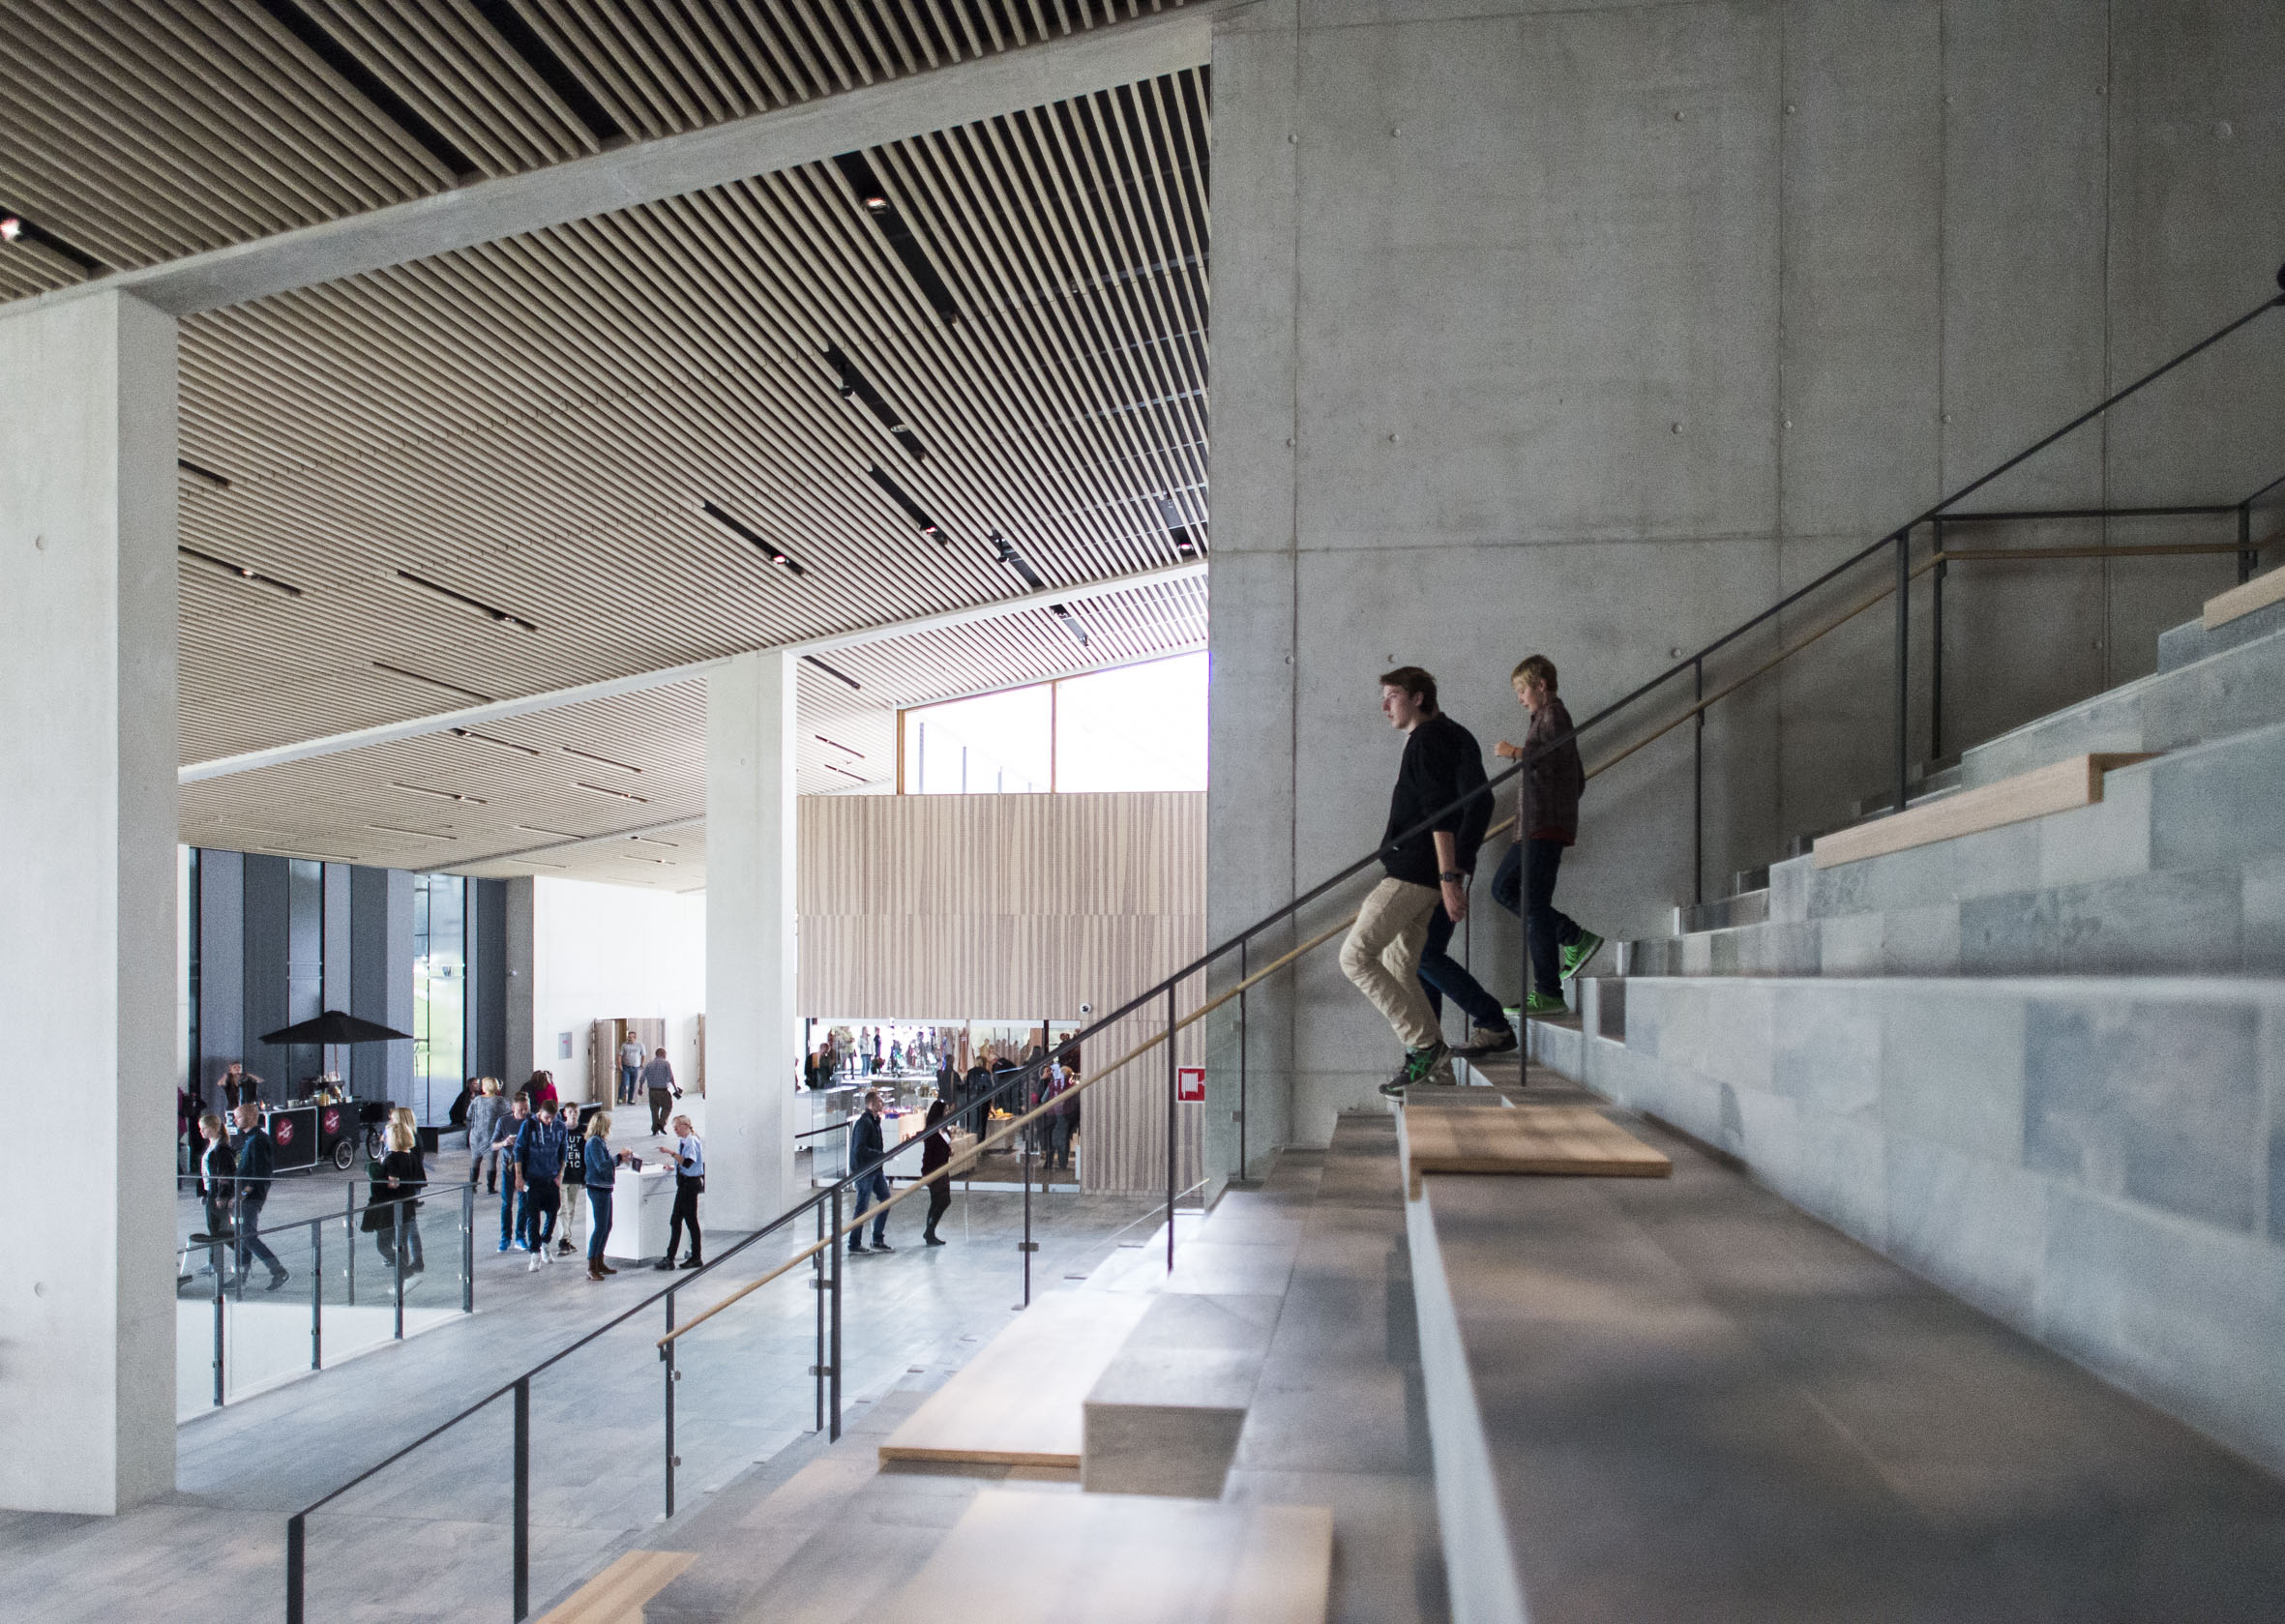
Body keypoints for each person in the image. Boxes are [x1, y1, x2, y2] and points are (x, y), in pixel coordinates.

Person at [1340, 666, 1490, 1099]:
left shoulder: (1426, 739)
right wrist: (1454, 873)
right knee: (1401, 964)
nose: (1385, 705)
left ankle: (1425, 1047)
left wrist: (1449, 876)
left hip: (1414, 872)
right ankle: (1435, 1069)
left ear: (1419, 697)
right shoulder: (1448, 736)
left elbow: (1438, 814)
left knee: (1355, 957)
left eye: (1392, 695)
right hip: (1428, 873)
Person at [1491, 655, 1603, 1018]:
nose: (1520, 698)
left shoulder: (1555, 714)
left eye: (1522, 690)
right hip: (1536, 825)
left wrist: (1514, 752)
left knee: (1532, 904)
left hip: (1542, 826)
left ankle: (1549, 990)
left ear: (1540, 685)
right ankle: (1573, 938)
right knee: (1506, 889)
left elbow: (1550, 758)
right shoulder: (1545, 717)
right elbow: (1576, 776)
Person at [228, 1102, 289, 1290]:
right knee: (242, 1236)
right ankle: (241, 1275)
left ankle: (278, 1270)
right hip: (246, 1195)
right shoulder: (250, 1139)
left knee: (248, 1236)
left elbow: (259, 1173)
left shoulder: (258, 1140)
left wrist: (242, 1194)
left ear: (251, 1117)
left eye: (238, 1116)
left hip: (251, 1197)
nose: (234, 1120)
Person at [365, 1119, 427, 1276]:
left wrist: (377, 1175)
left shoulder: (392, 1158)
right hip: (407, 1206)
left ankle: (405, 1274)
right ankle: (403, 1280)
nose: (383, 1139)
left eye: (387, 1135)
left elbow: (393, 1183)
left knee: (384, 1246)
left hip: (391, 1208)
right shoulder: (411, 1156)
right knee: (401, 1243)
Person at [514, 1099, 568, 1270]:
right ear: (539, 1113)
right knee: (533, 1217)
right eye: (546, 1117)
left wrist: (560, 1174)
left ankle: (545, 1241)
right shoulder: (528, 1126)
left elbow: (563, 1151)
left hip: (551, 1178)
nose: (550, 1121)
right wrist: (519, 1176)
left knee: (553, 1212)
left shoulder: (560, 1127)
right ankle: (534, 1253)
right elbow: (519, 1151)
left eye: (553, 1117)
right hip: (532, 1179)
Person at [579, 1111, 631, 1281]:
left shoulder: (600, 1142)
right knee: (600, 1226)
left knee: (607, 1225)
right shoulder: (594, 1143)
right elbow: (601, 1166)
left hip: (605, 1187)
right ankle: (591, 1264)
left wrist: (619, 1160)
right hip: (597, 1188)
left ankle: (599, 1260)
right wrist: (618, 1157)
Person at [846, 1090, 893, 1253]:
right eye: (880, 1101)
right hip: (865, 1170)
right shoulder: (864, 1123)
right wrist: (880, 1156)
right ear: (871, 1104)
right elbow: (859, 1150)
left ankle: (877, 1238)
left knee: (886, 1199)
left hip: (875, 1169)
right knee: (862, 1206)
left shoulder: (874, 1121)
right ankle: (854, 1243)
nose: (883, 1103)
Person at [657, 1114, 705, 1271]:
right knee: (676, 1220)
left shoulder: (691, 1141)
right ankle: (670, 1257)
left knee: (687, 1221)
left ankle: (694, 1256)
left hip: (689, 1185)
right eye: (674, 1127)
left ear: (686, 1125)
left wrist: (670, 1153)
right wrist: (674, 1167)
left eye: (677, 1126)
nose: (675, 1130)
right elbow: (686, 1163)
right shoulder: (685, 1141)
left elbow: (689, 1162)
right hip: (685, 1183)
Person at [493, 1091, 531, 1251]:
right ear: (513, 1108)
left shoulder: (532, 1121)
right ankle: (505, 1237)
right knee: (506, 1203)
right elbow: (492, 1145)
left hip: (526, 1167)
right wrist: (504, 1143)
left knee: (524, 1203)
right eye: (521, 1109)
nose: (524, 1113)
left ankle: (520, 1236)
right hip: (508, 1168)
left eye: (526, 1109)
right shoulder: (503, 1121)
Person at [193, 1112, 234, 1245]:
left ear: (214, 1128)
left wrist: (222, 1195)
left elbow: (224, 1174)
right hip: (211, 1192)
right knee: (215, 1229)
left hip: (216, 1194)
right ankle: (213, 1261)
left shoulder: (221, 1149)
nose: (201, 1131)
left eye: (204, 1128)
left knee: (219, 1230)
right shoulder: (212, 1146)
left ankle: (242, 1255)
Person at [918, 1099, 954, 1246]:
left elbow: (943, 1147)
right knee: (941, 1200)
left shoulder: (944, 1129)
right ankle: (929, 1231)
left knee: (940, 1201)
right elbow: (929, 1154)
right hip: (934, 1170)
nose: (947, 1113)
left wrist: (948, 1151)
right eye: (945, 1111)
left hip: (942, 1169)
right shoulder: (932, 1132)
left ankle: (930, 1231)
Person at [466, 1078, 505, 1195]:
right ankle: (490, 1187)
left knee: (475, 1159)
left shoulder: (477, 1100)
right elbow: (507, 1114)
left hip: (476, 1134)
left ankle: (472, 1186)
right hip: (492, 1133)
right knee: (491, 1160)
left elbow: (468, 1115)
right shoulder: (500, 1101)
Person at [640, 1047, 679, 1136]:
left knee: (654, 1110)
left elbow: (642, 1077)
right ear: (661, 1054)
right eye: (665, 1054)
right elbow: (670, 1077)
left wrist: (640, 1088)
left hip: (652, 1091)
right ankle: (661, 1124)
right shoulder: (666, 1064)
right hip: (663, 1091)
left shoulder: (649, 1064)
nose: (666, 1055)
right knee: (667, 1107)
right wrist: (675, 1089)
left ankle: (655, 1128)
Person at [618, 1030, 644, 1105]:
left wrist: (642, 1063)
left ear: (634, 1038)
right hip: (626, 1067)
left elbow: (643, 1055)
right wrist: (620, 1064)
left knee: (633, 1084)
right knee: (624, 1083)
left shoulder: (640, 1045)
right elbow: (620, 1055)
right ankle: (620, 1098)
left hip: (635, 1067)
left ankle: (630, 1099)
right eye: (628, 1037)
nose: (628, 1038)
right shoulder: (624, 1045)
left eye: (630, 1037)